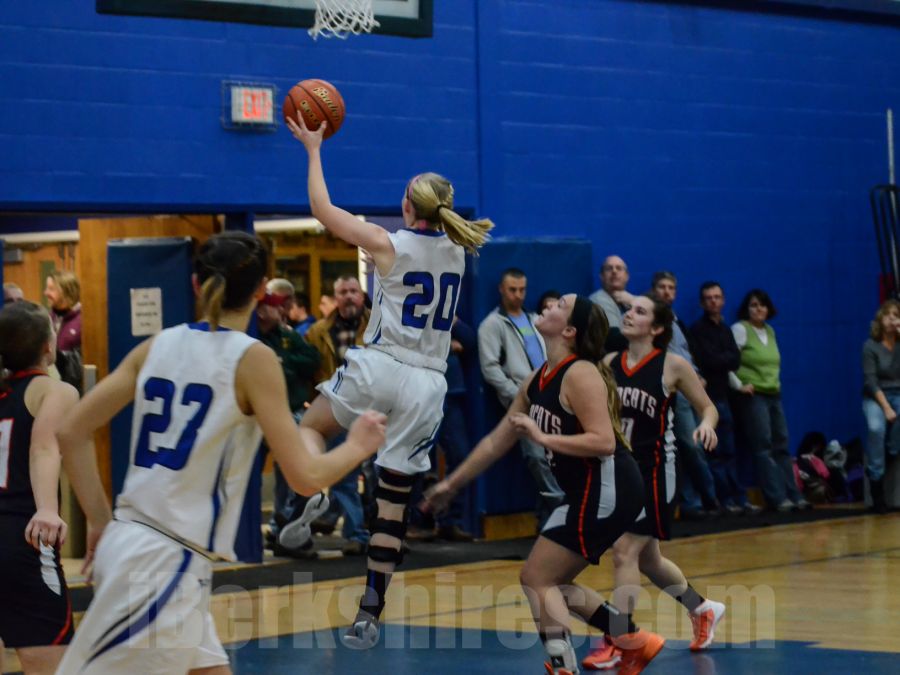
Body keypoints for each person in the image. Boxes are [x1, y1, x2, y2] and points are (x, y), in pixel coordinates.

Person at [54, 231, 385, 674]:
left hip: (146, 547)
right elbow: (306, 476)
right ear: (261, 289)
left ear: (196, 283)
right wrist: (358, 445)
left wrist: (99, 521)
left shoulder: (158, 344)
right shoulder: (253, 358)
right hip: (163, 561)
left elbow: (71, 431)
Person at [287, 113, 493, 650]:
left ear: (406, 206)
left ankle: (320, 488)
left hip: (382, 365)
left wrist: (314, 149)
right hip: (428, 383)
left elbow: (321, 209)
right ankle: (369, 613)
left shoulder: (387, 244)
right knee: (394, 501)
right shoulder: (458, 252)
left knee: (310, 428)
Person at [424, 295, 664, 675]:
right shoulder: (538, 378)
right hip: (587, 490)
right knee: (553, 583)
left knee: (538, 578)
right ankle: (632, 639)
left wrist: (542, 437)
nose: (548, 305)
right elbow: (496, 441)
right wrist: (451, 484)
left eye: (559, 305)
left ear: (569, 330)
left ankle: (563, 665)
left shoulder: (580, 373)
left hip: (609, 486)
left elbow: (603, 441)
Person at [583, 295, 725, 670]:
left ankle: (621, 639)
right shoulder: (609, 364)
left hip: (656, 472)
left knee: (624, 551)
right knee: (649, 560)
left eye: (640, 311)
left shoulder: (673, 365)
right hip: (621, 469)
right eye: (629, 309)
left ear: (657, 328)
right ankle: (703, 609)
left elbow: (708, 407)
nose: (629, 314)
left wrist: (707, 425)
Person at [0, 302, 78, 675]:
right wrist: (47, 508)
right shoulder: (53, 390)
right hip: (22, 539)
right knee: (48, 665)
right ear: (49, 346)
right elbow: (43, 447)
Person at [285, 275, 373, 557]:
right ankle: (356, 533)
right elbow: (310, 367)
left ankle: (367, 527)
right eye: (342, 292)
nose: (348, 296)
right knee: (345, 475)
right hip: (337, 408)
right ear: (336, 298)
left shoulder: (379, 325)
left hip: (374, 406)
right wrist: (313, 400)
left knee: (377, 475)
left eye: (353, 291)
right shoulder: (318, 331)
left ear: (362, 295)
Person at [478, 268, 564, 528]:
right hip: (523, 403)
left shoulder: (535, 319)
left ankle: (548, 523)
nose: (518, 295)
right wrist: (516, 394)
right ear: (501, 290)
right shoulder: (492, 324)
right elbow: (490, 369)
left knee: (556, 458)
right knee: (537, 457)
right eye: (512, 289)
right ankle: (563, 510)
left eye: (522, 290)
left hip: (551, 397)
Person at [253, 291, 323, 555]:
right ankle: (269, 531)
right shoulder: (250, 336)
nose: (282, 311)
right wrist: (279, 363)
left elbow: (312, 359)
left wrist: (284, 362)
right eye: (275, 307)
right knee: (251, 477)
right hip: (254, 418)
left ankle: (285, 529)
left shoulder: (286, 334)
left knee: (294, 475)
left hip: (288, 411)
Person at [649, 271, 721, 519]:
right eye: (662, 287)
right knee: (690, 444)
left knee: (692, 445)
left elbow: (685, 353)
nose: (667, 292)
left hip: (691, 385)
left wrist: (697, 374)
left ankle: (694, 501)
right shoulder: (651, 320)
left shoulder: (676, 319)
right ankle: (708, 497)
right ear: (653, 290)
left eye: (671, 288)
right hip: (674, 388)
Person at [730, 289, 809, 511]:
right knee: (763, 446)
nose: (759, 309)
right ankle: (776, 497)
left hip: (774, 393)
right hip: (753, 395)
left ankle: (794, 494)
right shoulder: (740, 329)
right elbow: (729, 361)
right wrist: (738, 385)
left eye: (762, 305)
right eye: (754, 305)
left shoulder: (770, 331)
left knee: (781, 444)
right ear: (747, 309)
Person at [689, 282, 760, 515]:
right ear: (702, 302)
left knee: (730, 451)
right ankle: (724, 499)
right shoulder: (698, 329)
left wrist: (721, 359)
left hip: (724, 396)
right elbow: (706, 360)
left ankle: (739, 498)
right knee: (715, 453)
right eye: (709, 298)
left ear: (723, 300)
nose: (713, 301)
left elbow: (735, 361)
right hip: (707, 399)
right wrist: (723, 359)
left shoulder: (726, 329)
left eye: (717, 297)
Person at [862, 299, 900, 513]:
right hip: (876, 396)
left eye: (896, 315)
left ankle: (890, 452)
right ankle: (876, 480)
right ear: (880, 319)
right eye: (888, 315)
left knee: (891, 441)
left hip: (899, 393)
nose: (892, 319)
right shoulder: (870, 346)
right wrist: (886, 407)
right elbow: (870, 381)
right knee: (876, 428)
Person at [44, 271, 83, 391]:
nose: (46, 293)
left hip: (74, 389)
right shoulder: (48, 317)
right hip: (51, 386)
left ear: (67, 291)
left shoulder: (84, 321)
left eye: (51, 289)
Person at [589, 255, 631, 352]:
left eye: (619, 268)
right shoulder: (598, 299)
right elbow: (614, 339)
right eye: (609, 268)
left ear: (627, 276)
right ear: (601, 276)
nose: (614, 271)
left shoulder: (630, 300)